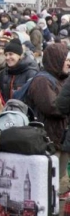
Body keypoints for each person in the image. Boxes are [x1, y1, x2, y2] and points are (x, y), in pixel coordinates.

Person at [27, 44, 69, 191]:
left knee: (60, 184)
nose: (69, 62)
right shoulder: (42, 81)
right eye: (66, 59)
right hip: (48, 141)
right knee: (50, 185)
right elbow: (52, 107)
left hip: (60, 139)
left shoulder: (62, 79)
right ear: (55, 59)